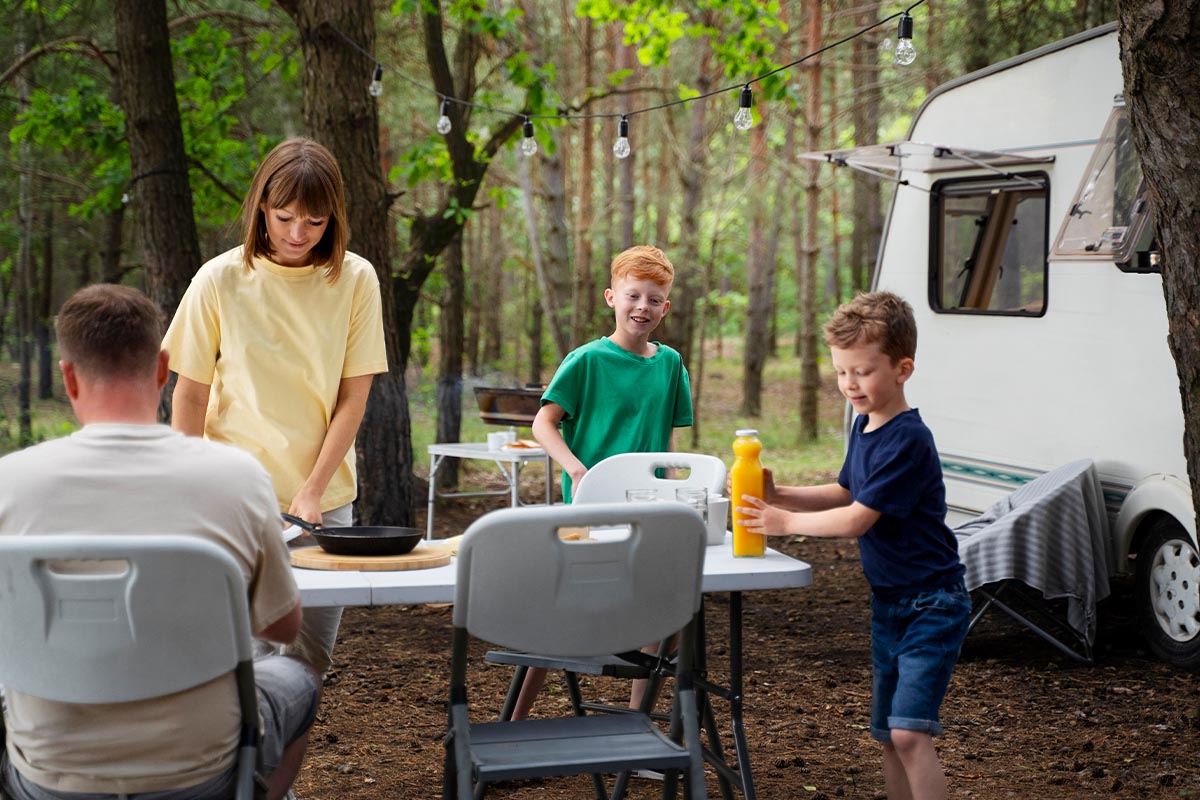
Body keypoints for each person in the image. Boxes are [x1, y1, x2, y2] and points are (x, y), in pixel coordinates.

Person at [0, 284, 317, 800]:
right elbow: (282, 624)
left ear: (69, 377)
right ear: (163, 368)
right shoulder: (235, 478)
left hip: (50, 776)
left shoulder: (8, 483)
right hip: (199, 772)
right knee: (297, 675)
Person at [163, 137, 388, 677]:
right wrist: (193, 489)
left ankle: (277, 767)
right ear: (261, 206)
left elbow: (353, 397)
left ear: (334, 217)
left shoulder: (356, 279)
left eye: (315, 222)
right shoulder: (218, 279)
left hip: (323, 503)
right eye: (284, 216)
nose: (297, 234)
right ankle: (239, 766)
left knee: (308, 666)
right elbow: (189, 394)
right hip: (231, 500)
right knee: (237, 662)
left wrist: (311, 490)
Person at [737, 291, 969, 800]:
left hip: (933, 601)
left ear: (902, 368)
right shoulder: (866, 426)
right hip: (890, 602)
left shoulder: (909, 438)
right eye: (842, 373)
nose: (849, 385)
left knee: (910, 731)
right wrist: (780, 492)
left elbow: (856, 520)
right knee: (889, 734)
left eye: (862, 372)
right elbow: (845, 491)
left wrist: (783, 520)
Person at [515, 244, 693, 720]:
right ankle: (515, 722)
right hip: (588, 510)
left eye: (654, 299)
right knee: (561, 615)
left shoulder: (670, 364)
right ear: (611, 297)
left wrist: (678, 493)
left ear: (666, 307)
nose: (643, 307)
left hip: (648, 510)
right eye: (633, 295)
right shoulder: (587, 361)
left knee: (668, 607)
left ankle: (638, 721)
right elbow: (542, 423)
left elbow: (667, 445)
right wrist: (575, 468)